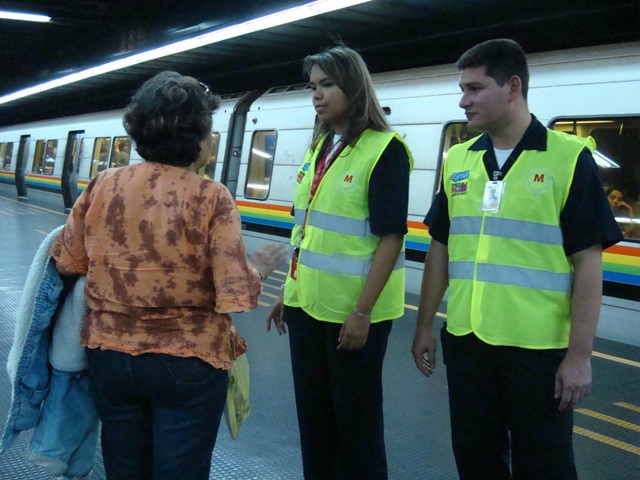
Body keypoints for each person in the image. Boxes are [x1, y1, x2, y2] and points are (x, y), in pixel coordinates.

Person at [50, 71, 286, 480]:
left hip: (112, 356)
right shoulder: (212, 197)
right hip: (188, 361)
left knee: (125, 471)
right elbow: (236, 294)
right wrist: (261, 267)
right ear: (197, 137)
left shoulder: (103, 184)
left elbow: (68, 262)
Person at [411, 39, 623, 480]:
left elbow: (588, 262)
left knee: (544, 465)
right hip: (468, 342)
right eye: (462, 88)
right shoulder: (460, 160)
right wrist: (425, 325)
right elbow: (442, 246)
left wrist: (579, 355)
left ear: (512, 87)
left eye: (474, 88)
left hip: (538, 351)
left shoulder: (568, 159)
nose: (463, 100)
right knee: (475, 458)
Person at [266, 45, 413, 480]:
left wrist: (362, 312)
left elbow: (391, 237)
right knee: (314, 422)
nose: (317, 94)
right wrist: (286, 293)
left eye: (327, 84)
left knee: (357, 427)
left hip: (353, 315)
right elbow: (306, 233)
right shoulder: (321, 149)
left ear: (354, 85)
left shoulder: (384, 151)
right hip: (308, 307)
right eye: (313, 86)